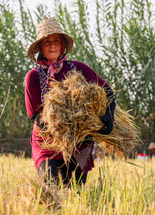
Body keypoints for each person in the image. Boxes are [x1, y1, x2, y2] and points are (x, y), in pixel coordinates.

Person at [24, 17, 116, 186]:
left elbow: (107, 92)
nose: (52, 46)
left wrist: (108, 117)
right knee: (53, 188)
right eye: (47, 42)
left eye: (56, 41)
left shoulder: (78, 68)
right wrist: (63, 130)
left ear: (62, 45)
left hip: (80, 145)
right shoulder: (34, 76)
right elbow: (36, 116)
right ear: (40, 47)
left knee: (76, 193)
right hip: (48, 144)